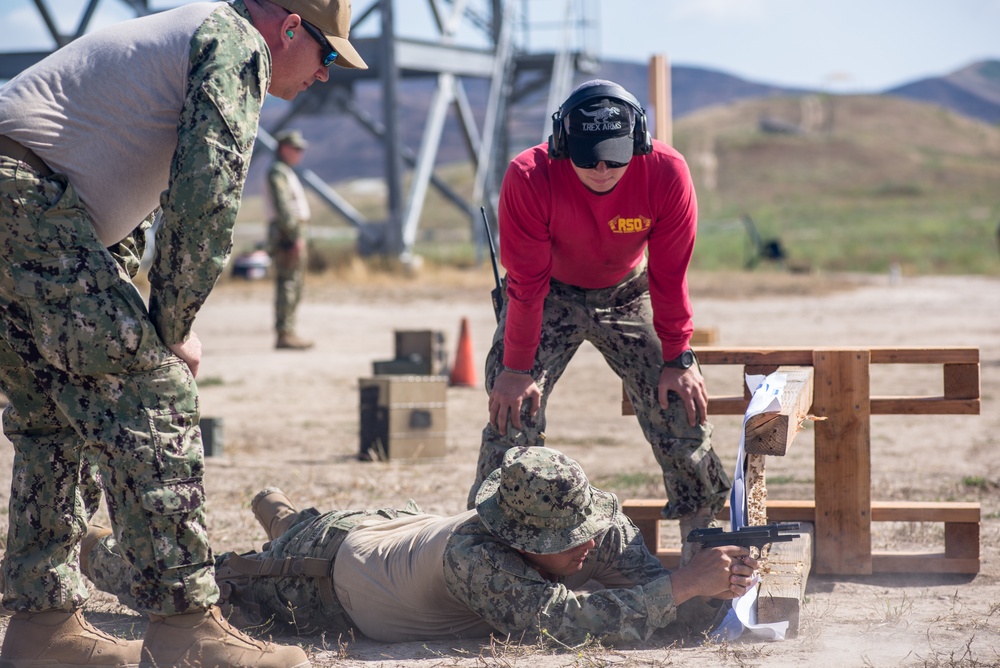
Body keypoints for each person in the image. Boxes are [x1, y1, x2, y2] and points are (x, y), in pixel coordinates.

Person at [0, 0, 366, 665]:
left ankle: (41, 625)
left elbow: (130, 200)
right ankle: (185, 630)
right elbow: (207, 196)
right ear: (288, 28)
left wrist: (142, 312)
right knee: (154, 392)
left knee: (55, 416)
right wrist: (171, 328)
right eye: (329, 55)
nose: (325, 75)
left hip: (23, 201)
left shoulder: (178, 38)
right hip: (26, 201)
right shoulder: (234, 44)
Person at [83, 447, 758, 646]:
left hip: (382, 526)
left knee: (300, 527)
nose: (586, 549)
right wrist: (682, 585)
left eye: (584, 533)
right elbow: (562, 625)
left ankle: (283, 513)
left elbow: (639, 593)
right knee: (187, 585)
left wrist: (714, 582)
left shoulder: (592, 521)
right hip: (318, 582)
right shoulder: (478, 559)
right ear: (519, 539)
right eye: (564, 544)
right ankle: (84, 553)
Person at [467, 79, 731, 563]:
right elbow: (526, 285)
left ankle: (707, 549)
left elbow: (670, 275)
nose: (603, 169)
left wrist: (678, 356)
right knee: (512, 411)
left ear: (639, 143)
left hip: (628, 291)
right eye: (588, 159)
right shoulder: (529, 175)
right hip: (547, 296)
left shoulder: (666, 172)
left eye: (615, 157)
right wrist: (516, 368)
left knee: (679, 403)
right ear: (564, 146)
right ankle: (488, 550)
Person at [267, 129, 314, 350]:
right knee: (288, 283)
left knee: (294, 283)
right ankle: (285, 333)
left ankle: (289, 330)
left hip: (292, 232)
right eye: (295, 148)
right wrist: (294, 236)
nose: (299, 153)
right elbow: (284, 208)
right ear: (283, 148)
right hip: (287, 234)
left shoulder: (284, 172)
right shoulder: (278, 172)